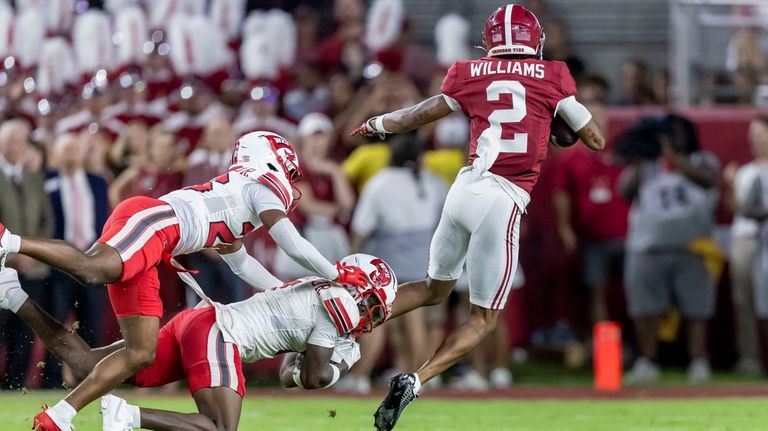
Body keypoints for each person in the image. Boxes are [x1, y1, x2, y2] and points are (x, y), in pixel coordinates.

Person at [0, 130, 370, 431]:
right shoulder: (258, 187)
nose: (289, 181)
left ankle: (14, 298)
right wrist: (336, 274)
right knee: (93, 268)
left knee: (137, 354)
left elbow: (244, 267)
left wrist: (290, 290)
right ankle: (8, 241)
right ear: (270, 159)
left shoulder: (239, 200)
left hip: (160, 241)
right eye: (288, 171)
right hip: (155, 222)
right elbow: (292, 242)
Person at [351, 5, 604, 430]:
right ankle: (415, 380)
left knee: (434, 289)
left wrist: (376, 123)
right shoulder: (555, 75)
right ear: (534, 41)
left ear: (490, 42)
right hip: (502, 199)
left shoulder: (468, 72)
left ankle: (349, 315)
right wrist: (561, 118)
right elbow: (596, 139)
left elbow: (416, 115)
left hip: (464, 189)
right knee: (483, 318)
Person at [0, 253, 396, 431]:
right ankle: (126, 416)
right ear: (353, 290)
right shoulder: (334, 310)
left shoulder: (320, 288)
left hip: (200, 321)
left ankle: (14, 296)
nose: (372, 316)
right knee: (220, 428)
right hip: (220, 334)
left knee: (89, 366)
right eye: (372, 305)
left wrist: (309, 362)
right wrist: (329, 363)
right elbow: (306, 377)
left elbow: (293, 371)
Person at [619, 115, 720, 385]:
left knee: (697, 309)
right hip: (647, 245)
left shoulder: (702, 160)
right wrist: (640, 160)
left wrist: (675, 159)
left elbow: (709, 180)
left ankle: (698, 360)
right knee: (645, 308)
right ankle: (648, 360)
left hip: (693, 247)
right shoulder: (646, 164)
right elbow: (625, 192)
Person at [345, 135, 447, 393]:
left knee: (377, 317)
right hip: (425, 255)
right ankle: (417, 377)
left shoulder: (379, 183)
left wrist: (350, 262)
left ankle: (360, 377)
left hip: (386, 257)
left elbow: (360, 228)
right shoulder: (434, 183)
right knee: (416, 316)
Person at [43, 133, 110, 387]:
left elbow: (104, 220)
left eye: (74, 150)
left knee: (91, 323)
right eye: (65, 150)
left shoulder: (97, 182)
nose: (70, 155)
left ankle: (90, 380)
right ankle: (50, 381)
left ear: (82, 154)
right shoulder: (46, 181)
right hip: (60, 265)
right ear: (57, 155)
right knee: (55, 324)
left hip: (92, 262)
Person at [0, 119, 54, 389]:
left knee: (25, 333)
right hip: (2, 266)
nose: (15, 146)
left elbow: (47, 221)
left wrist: (32, 253)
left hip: (32, 269)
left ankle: (15, 386)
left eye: (20, 141)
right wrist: (10, 255)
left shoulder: (33, 178)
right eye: (10, 140)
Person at [726, 115, 768, 374]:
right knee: (744, 300)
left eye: (760, 134)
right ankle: (750, 357)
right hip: (745, 237)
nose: (755, 139)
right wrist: (729, 186)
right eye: (752, 135)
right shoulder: (745, 172)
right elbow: (736, 210)